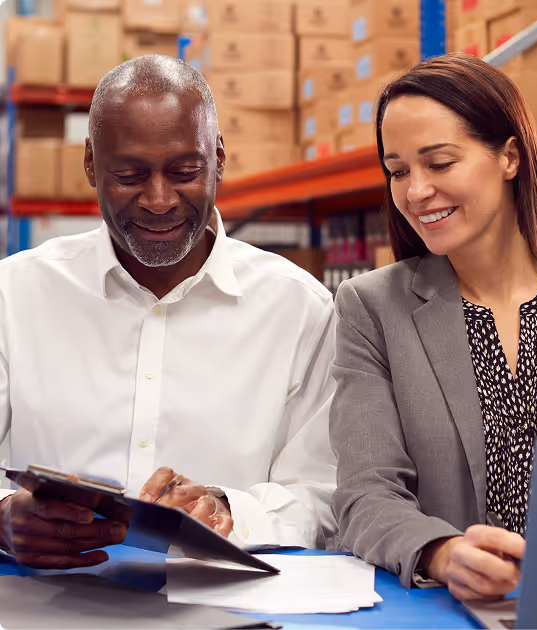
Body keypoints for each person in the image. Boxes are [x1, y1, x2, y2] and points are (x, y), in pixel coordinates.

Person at [330, 53, 537, 601]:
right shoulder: (371, 307)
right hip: (449, 607)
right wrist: (442, 553)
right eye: (398, 170)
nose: (415, 191)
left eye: (440, 162)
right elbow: (365, 495)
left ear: (509, 157)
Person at [0, 55, 337, 570]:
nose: (159, 200)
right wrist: (3, 515)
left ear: (219, 159)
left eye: (185, 172)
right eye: (129, 174)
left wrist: (232, 512)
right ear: (91, 163)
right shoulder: (14, 295)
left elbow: (323, 493)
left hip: (227, 610)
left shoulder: (299, 309)